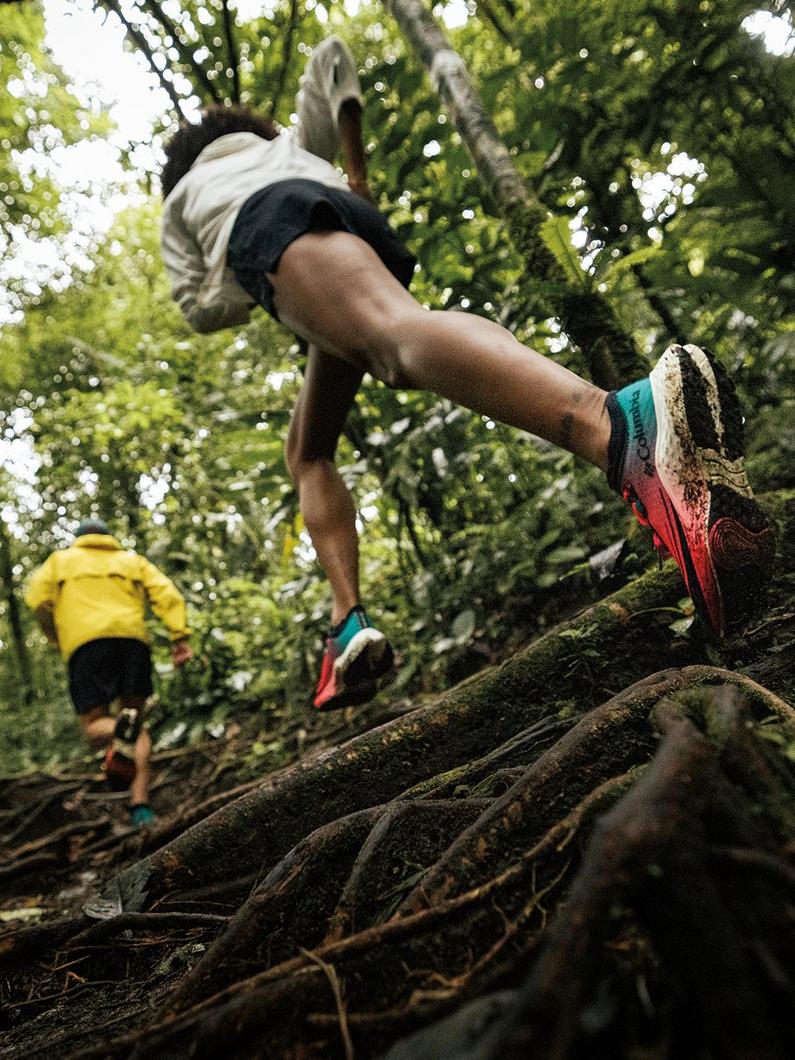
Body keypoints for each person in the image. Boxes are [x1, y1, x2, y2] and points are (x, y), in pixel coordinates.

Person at [160, 37, 774, 711]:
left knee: (393, 342)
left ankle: (619, 426)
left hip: (274, 233)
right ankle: (347, 624)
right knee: (308, 451)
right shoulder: (285, 148)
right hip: (345, 221)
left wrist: (237, 278)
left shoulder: (185, 193)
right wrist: (355, 177)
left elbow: (201, 309)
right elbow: (332, 58)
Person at [25, 518, 193, 827]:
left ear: (78, 539)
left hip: (86, 645)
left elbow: (37, 600)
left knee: (94, 727)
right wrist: (179, 636)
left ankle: (120, 734)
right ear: (107, 537)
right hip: (132, 643)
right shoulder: (130, 560)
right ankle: (140, 806)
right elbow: (166, 593)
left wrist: (55, 634)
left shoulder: (60, 561)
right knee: (134, 724)